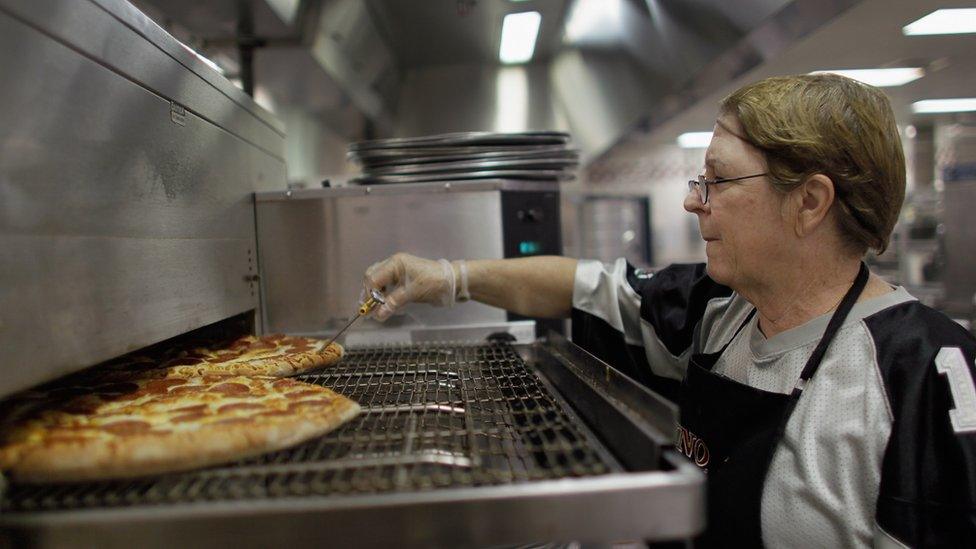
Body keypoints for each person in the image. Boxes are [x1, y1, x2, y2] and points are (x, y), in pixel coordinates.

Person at [361, 74, 976, 548]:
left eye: (717, 181)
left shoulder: (923, 376)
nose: (692, 201)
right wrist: (449, 277)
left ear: (810, 201)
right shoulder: (720, 312)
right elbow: (581, 286)